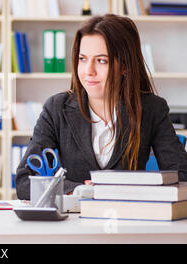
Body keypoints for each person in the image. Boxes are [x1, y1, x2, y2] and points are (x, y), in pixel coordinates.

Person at [16, 14, 187, 198]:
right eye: (83, 59)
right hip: (73, 222)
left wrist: (133, 191)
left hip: (128, 219)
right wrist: (78, 190)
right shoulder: (57, 108)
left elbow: (182, 178)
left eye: (101, 60)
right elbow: (25, 182)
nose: (88, 71)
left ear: (125, 67)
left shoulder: (151, 108)